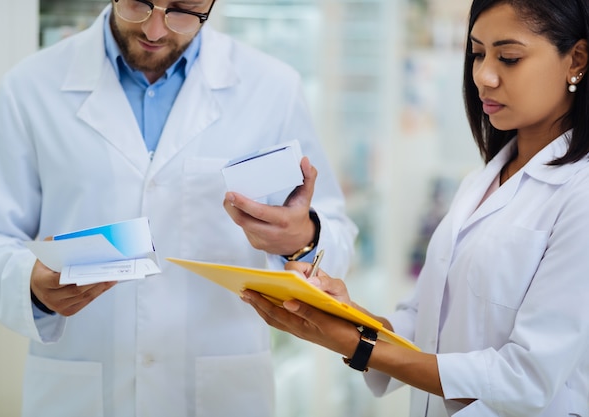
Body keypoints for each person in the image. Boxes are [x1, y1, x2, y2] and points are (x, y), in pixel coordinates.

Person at [0, 1, 358, 416]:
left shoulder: (272, 87)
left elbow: (336, 232)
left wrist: (304, 239)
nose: (154, 29)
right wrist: (32, 285)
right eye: (138, 2)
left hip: (220, 391)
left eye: (182, 10)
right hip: (81, 391)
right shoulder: (31, 86)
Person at [242, 0, 589, 415]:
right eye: (477, 53)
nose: (483, 75)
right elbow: (423, 323)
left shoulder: (579, 193)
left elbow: (526, 379)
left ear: (577, 60)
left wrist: (360, 346)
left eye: (509, 58)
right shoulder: (482, 182)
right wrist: (343, 316)